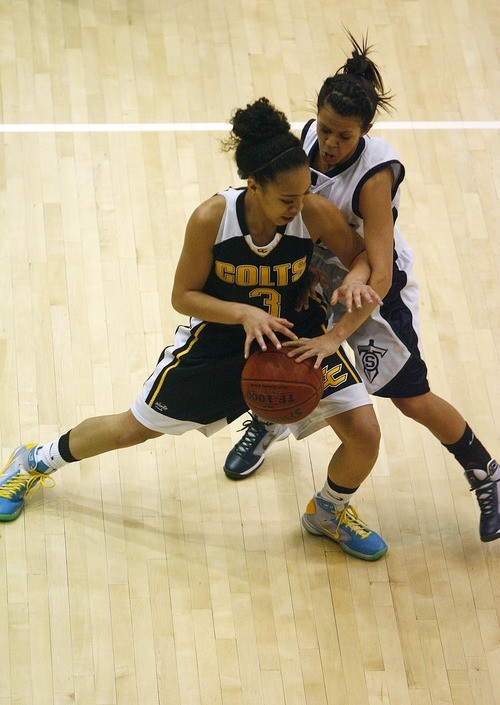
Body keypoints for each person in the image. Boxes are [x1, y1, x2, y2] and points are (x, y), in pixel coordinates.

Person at [0, 97, 388, 560]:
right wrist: (243, 313)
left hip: (294, 338)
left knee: (364, 433)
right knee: (134, 429)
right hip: (223, 340)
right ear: (254, 185)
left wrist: (353, 287)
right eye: (287, 198)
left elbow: (363, 256)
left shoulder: (314, 213)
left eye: (304, 193)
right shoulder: (213, 218)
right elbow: (183, 296)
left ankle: (328, 511)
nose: (298, 205)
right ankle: (36, 459)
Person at [223, 34, 500, 544]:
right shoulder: (303, 141)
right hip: (314, 270)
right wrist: (303, 271)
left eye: (343, 136)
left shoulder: (375, 177)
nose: (329, 144)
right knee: (281, 349)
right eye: (325, 130)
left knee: (410, 398)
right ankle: (269, 418)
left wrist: (337, 333)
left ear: (365, 133)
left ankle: (487, 474)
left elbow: (378, 270)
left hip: (372, 284)